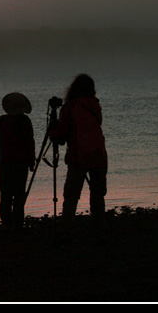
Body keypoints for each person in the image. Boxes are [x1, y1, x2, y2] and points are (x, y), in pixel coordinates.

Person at [51, 74, 107, 231]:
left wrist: (52, 132)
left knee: (71, 195)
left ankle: (66, 228)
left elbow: (61, 136)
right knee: (97, 194)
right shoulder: (95, 105)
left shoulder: (70, 107)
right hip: (99, 153)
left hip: (79, 154)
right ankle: (99, 227)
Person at [0, 92, 36, 230]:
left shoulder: (2, 121)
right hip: (21, 162)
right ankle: (17, 222)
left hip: (6, 162)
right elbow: (30, 142)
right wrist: (31, 161)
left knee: (6, 194)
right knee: (19, 193)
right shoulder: (25, 121)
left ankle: (7, 222)